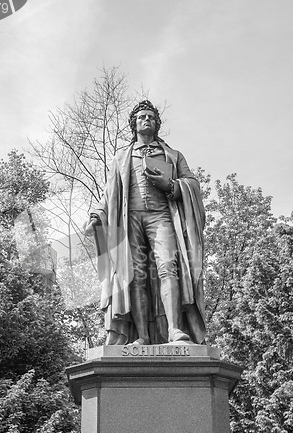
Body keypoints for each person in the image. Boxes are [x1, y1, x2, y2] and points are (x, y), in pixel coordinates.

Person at [85, 100, 206, 346]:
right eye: (141, 117)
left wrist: (171, 186)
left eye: (151, 117)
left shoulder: (172, 155)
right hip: (130, 220)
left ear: (157, 124)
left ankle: (174, 330)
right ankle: (142, 336)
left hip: (162, 216)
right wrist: (97, 216)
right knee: (136, 276)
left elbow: (193, 184)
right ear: (134, 124)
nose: (146, 120)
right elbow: (109, 194)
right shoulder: (121, 157)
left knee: (167, 267)